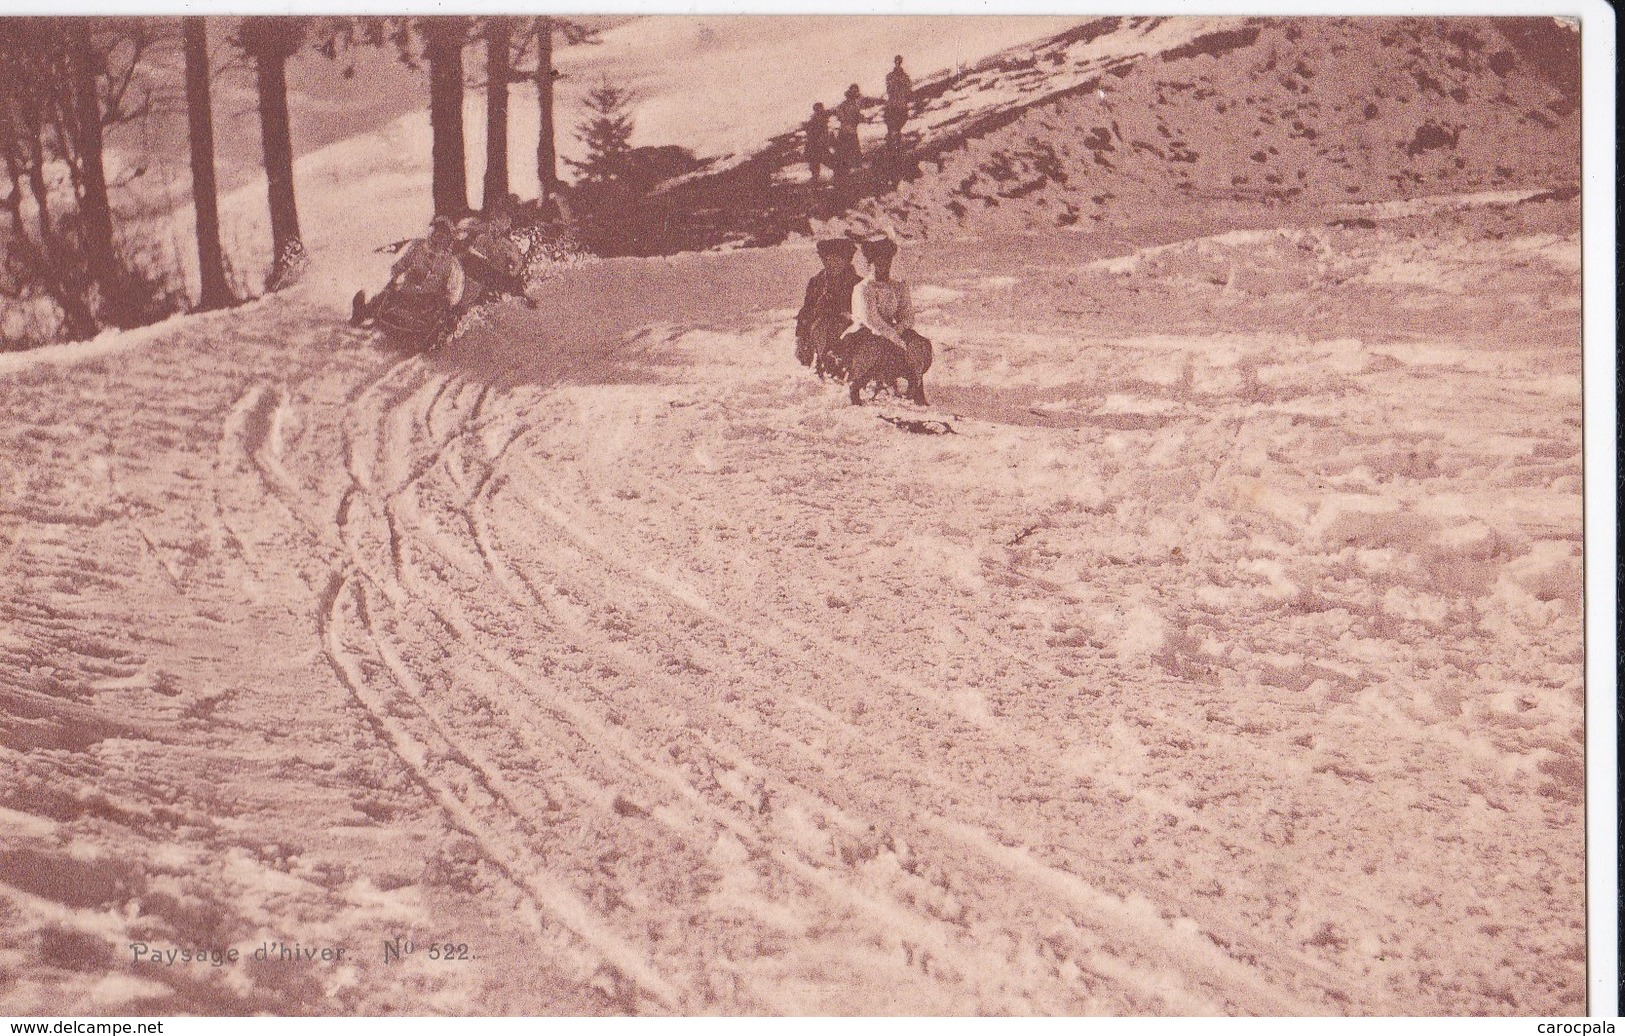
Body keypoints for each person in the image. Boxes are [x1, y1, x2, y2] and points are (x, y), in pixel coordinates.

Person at [840, 236, 931, 405]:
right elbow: (872, 320)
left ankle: (916, 386)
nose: (883, 266)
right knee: (876, 346)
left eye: (887, 261)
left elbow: (907, 315)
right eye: (878, 262)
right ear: (870, 264)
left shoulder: (898, 286)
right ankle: (855, 386)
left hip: (891, 331)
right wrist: (896, 339)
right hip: (865, 332)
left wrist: (899, 331)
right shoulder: (863, 288)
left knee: (919, 344)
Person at [351, 216, 465, 331]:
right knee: (386, 295)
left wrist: (445, 302)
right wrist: (393, 279)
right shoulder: (416, 247)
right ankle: (365, 312)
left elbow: (454, 290)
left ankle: (429, 333)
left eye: (443, 238)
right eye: (436, 235)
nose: (438, 241)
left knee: (439, 317)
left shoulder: (451, 264)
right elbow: (399, 265)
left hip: (429, 302)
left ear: (448, 241)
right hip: (407, 292)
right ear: (431, 233)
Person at [794, 238, 863, 376]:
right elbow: (806, 311)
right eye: (827, 260)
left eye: (837, 260)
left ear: (846, 261)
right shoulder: (817, 282)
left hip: (850, 328)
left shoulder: (858, 283)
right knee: (821, 326)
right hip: (821, 329)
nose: (831, 265)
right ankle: (823, 360)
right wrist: (801, 338)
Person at [831, 84, 865, 187]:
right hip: (848, 133)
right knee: (850, 154)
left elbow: (854, 116)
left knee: (846, 154)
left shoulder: (851, 104)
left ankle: (846, 176)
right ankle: (848, 178)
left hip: (847, 132)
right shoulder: (847, 105)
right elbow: (842, 115)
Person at [884, 56, 913, 153]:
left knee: (895, 130)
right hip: (894, 107)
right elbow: (890, 90)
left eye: (898, 62)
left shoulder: (904, 77)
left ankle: (895, 151)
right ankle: (892, 151)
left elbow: (908, 92)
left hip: (899, 107)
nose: (897, 63)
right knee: (893, 130)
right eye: (896, 61)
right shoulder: (892, 77)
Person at [804, 102, 831, 184]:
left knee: (822, 161)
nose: (820, 111)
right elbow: (811, 133)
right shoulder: (816, 119)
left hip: (818, 145)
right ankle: (815, 178)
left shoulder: (820, 118)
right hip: (815, 145)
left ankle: (840, 172)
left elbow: (822, 133)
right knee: (816, 162)